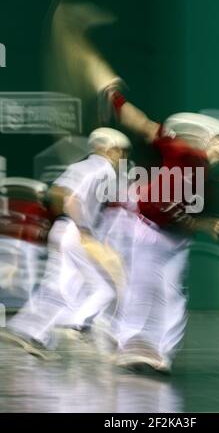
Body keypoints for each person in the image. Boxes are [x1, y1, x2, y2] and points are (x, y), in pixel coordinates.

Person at [101, 87, 219, 372]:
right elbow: (143, 124)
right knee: (143, 286)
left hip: (176, 239)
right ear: (211, 138)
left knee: (172, 295)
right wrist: (115, 99)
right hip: (148, 228)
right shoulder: (180, 150)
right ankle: (128, 343)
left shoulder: (216, 180)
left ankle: (157, 350)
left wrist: (210, 225)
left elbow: (211, 219)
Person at [0, 127, 131, 359]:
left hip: (63, 230)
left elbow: (56, 194)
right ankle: (75, 325)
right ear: (111, 149)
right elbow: (71, 199)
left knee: (59, 288)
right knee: (104, 288)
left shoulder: (79, 166)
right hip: (77, 233)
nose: (122, 157)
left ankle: (30, 332)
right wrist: (83, 230)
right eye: (121, 151)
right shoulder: (105, 171)